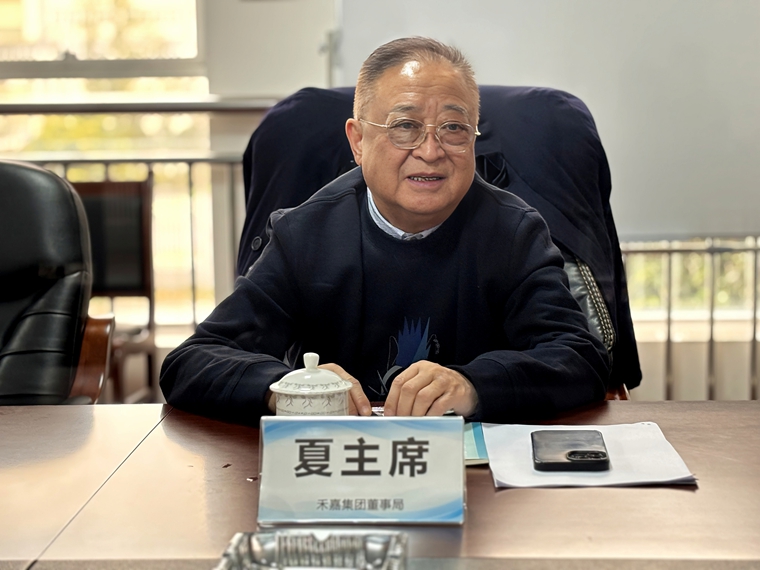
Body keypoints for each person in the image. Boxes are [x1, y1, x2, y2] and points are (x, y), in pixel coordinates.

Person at [160, 37, 610, 425]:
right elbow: (191, 362)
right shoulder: (305, 235)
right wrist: (287, 388)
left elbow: (581, 358)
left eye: (453, 128)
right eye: (405, 127)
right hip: (343, 469)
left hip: (473, 477)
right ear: (358, 141)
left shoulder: (513, 231)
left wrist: (474, 385)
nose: (430, 151)